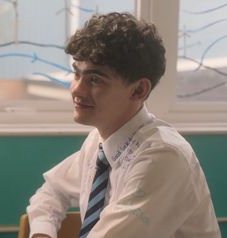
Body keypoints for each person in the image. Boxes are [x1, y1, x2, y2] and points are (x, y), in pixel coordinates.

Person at [27, 12, 221, 238]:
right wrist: (42, 233)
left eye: (95, 79)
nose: (76, 89)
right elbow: (52, 191)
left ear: (139, 90)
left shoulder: (164, 157)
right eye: (76, 73)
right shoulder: (99, 143)